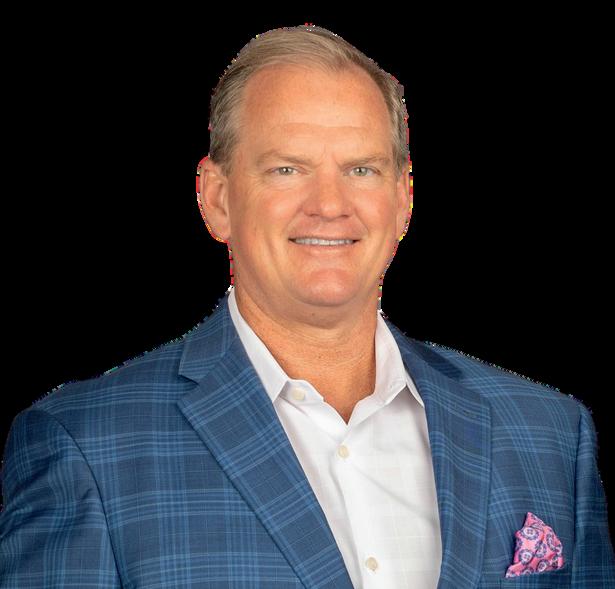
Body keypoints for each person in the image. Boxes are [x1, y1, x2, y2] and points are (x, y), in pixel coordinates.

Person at [1, 24, 613, 589]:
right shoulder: (87, 445)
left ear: (404, 198)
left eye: (361, 169)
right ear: (216, 199)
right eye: (287, 168)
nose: (329, 204)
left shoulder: (549, 433)